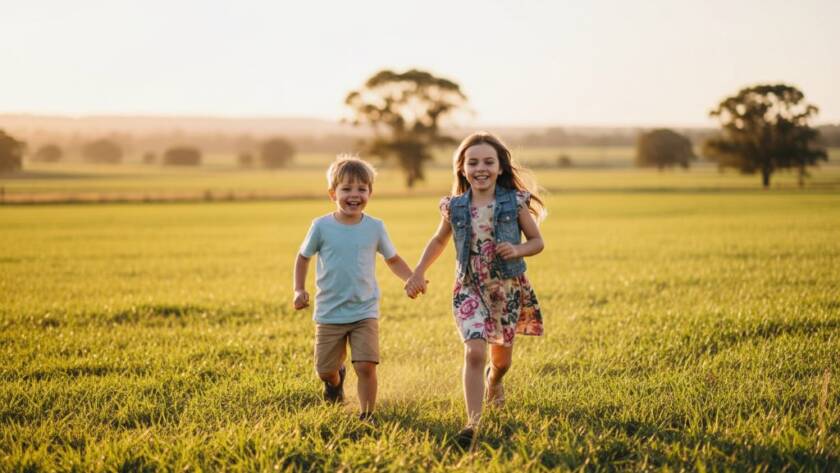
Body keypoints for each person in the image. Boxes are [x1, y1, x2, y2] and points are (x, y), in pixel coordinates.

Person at [405, 131, 546, 448]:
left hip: (506, 289)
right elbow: (439, 240)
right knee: (475, 351)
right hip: (469, 287)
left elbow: (537, 242)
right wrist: (418, 272)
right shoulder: (453, 207)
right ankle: (473, 423)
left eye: (487, 162)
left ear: (499, 168)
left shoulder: (514, 202)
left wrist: (517, 249)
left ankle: (494, 382)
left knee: (501, 361)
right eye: (473, 162)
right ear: (461, 168)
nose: (480, 168)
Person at [294, 155, 413, 421]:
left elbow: (392, 259)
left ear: (370, 192)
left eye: (362, 188)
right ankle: (335, 382)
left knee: (366, 365)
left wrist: (410, 278)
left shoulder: (375, 227)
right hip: (329, 313)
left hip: (364, 310)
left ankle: (366, 414)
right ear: (332, 193)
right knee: (325, 370)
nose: (354, 194)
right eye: (346, 189)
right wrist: (298, 289)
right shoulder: (321, 226)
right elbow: (303, 257)